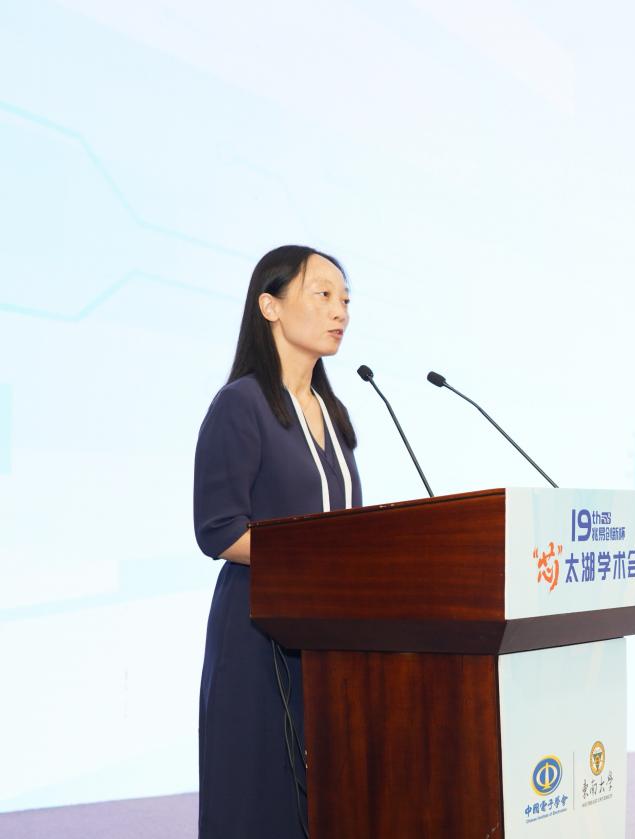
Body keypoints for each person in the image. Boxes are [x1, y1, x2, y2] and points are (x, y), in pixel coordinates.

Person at [193, 245, 362, 838]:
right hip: (257, 633)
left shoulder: (332, 411)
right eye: (323, 295)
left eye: (346, 300)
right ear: (270, 305)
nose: (340, 311)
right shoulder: (240, 404)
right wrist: (314, 559)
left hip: (331, 637)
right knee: (259, 802)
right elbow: (219, 530)